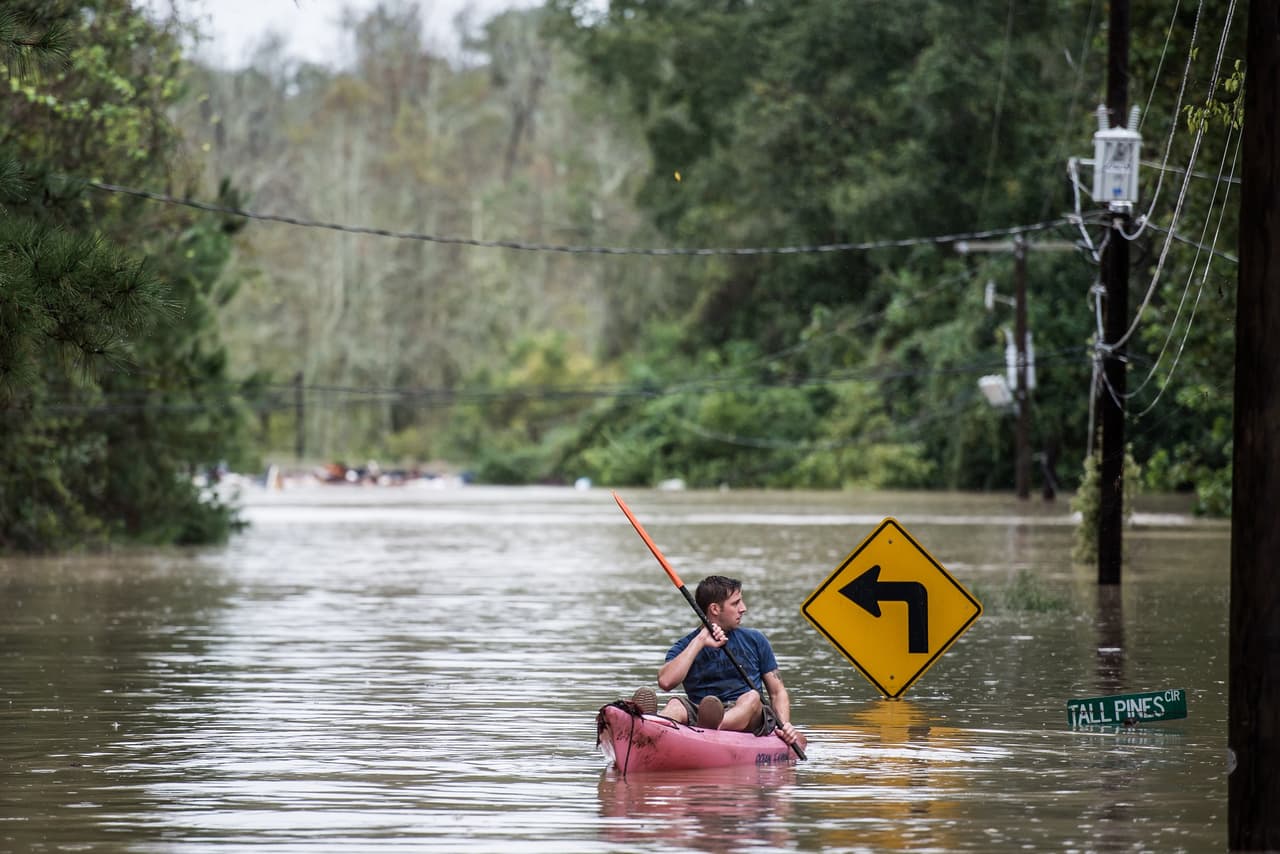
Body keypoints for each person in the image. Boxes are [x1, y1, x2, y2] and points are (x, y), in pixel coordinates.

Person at [646, 575, 801, 747]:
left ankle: (712, 726)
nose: (743, 608)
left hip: (750, 716)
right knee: (676, 704)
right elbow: (666, 682)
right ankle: (647, 726)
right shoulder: (686, 646)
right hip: (703, 710)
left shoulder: (755, 639)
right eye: (735, 603)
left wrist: (785, 725)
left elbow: (777, 692)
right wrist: (700, 641)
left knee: (752, 697)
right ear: (714, 609)